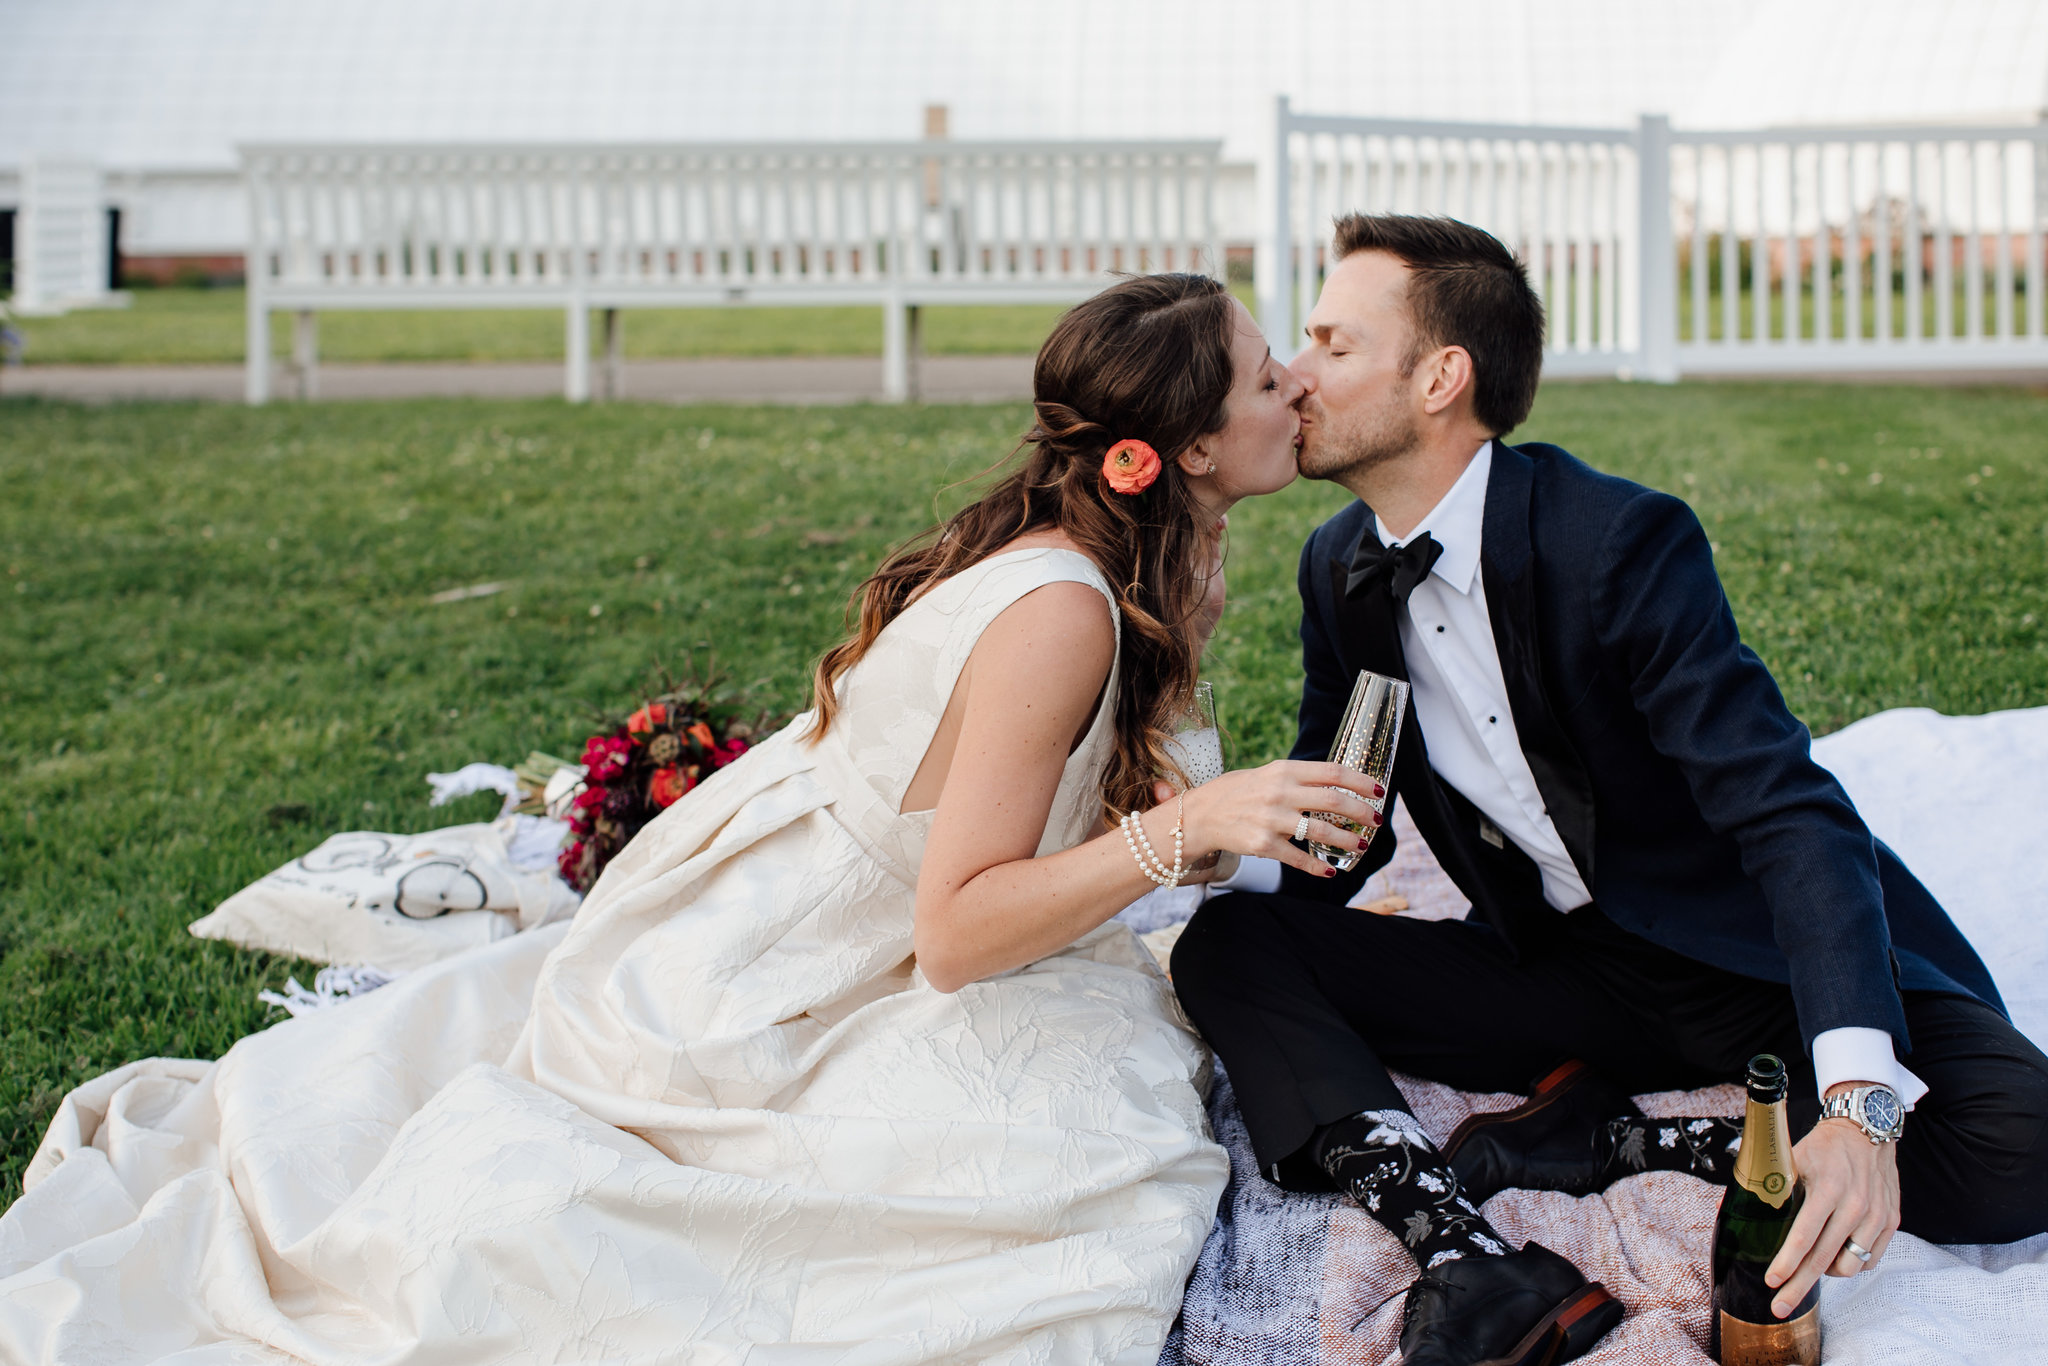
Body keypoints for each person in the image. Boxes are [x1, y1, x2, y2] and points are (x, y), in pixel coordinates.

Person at [0, 272, 1383, 1364]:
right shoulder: (1065, 608)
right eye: (1271, 376)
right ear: (1173, 451)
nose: (1299, 385)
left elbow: (1055, 790)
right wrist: (1186, 819)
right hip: (787, 952)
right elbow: (956, 935)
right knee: (1083, 1158)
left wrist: (1189, 815)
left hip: (853, 885)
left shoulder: (1146, 559)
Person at [1168, 214, 2048, 1366]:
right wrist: (1219, 842)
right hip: (1561, 968)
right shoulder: (1338, 566)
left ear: (1439, 376)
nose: (1291, 373)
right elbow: (1349, 815)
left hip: (1742, 960)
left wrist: (1856, 1112)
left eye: (1332, 344)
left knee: (2018, 1141)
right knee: (1231, 947)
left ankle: (1609, 1144)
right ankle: (1459, 1246)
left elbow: (1791, 816)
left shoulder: (1614, 541)